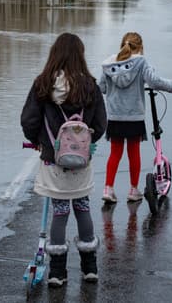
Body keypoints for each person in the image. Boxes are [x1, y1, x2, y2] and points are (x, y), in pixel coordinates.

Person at [21, 32, 107, 287]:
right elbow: (101, 124)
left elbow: (29, 120)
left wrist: (40, 142)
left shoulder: (43, 84)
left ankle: (57, 272)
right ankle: (90, 268)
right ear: (80, 56)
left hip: (53, 161)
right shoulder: (90, 86)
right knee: (82, 207)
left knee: (59, 211)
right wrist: (86, 143)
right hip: (81, 161)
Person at [99, 32, 172, 204]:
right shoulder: (141, 62)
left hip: (115, 116)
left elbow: (102, 88)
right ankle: (133, 190)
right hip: (134, 116)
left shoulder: (109, 64)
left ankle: (108, 188)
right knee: (133, 153)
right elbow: (154, 81)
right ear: (141, 47)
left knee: (115, 153)